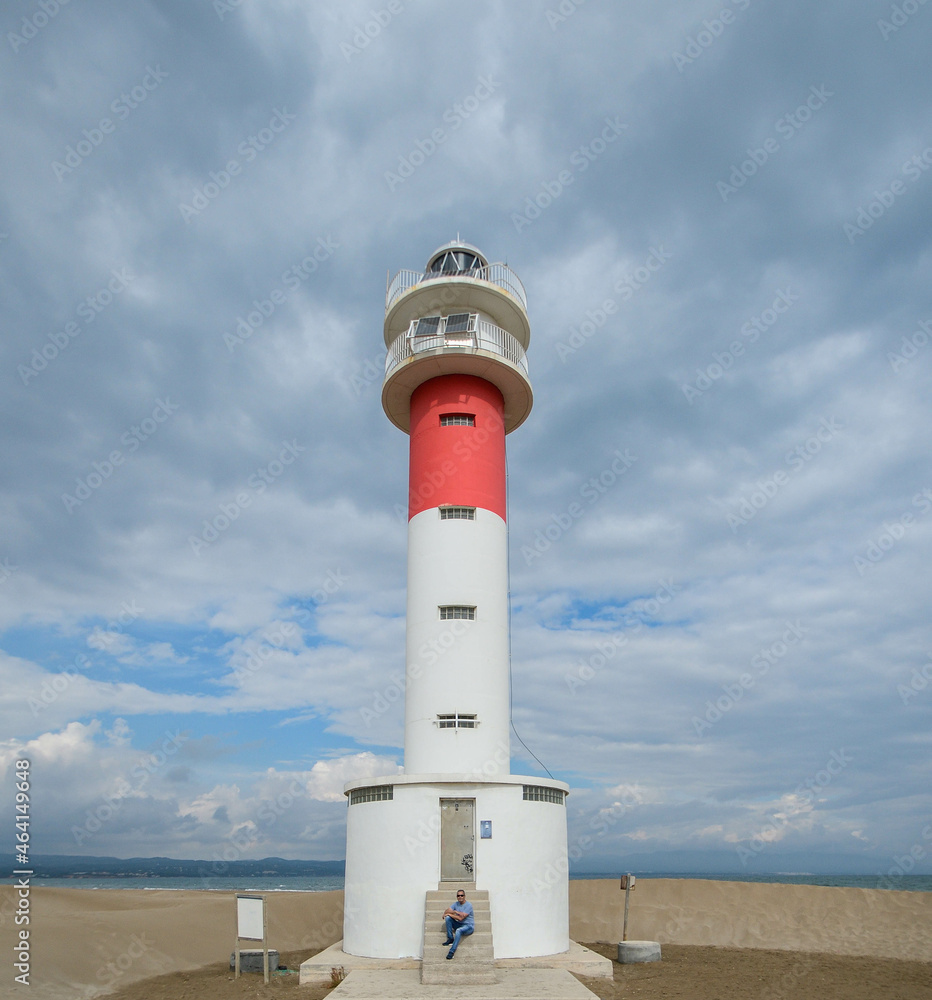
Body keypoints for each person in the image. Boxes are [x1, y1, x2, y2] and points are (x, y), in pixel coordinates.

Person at [441, 889, 474, 959]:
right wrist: (450, 913)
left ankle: (451, 952)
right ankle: (450, 938)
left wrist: (452, 913)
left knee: (458, 930)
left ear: (464, 896)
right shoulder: (456, 904)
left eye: (462, 895)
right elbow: (447, 911)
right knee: (447, 918)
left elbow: (461, 918)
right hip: (459, 924)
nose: (460, 897)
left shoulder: (469, 905)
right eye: (458, 895)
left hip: (468, 927)